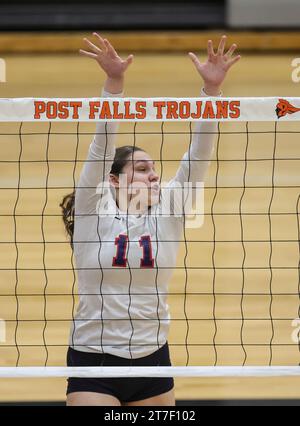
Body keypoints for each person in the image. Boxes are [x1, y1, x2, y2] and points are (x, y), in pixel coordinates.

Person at [61, 33, 241, 406]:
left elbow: (199, 154)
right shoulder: (93, 211)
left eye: (155, 169)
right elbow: (102, 146)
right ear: (113, 180)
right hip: (95, 361)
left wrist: (211, 89)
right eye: (142, 169)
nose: (154, 176)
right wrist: (114, 84)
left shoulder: (170, 211)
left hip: (153, 359)